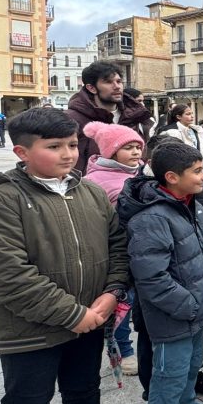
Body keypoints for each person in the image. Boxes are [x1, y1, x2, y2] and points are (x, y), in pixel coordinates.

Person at [0, 108, 140, 404]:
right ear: (22, 152)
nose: (67, 154)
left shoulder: (89, 192)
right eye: (54, 146)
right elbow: (4, 273)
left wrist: (112, 292)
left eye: (73, 145)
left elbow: (118, 246)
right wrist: (71, 314)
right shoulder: (2, 199)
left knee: (84, 390)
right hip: (31, 330)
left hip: (90, 319)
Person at [119, 142, 203, 404]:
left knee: (191, 367)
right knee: (168, 379)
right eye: (197, 171)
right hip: (174, 315)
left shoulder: (191, 204)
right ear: (171, 177)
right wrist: (189, 304)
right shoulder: (152, 217)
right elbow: (151, 277)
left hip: (194, 309)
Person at [81, 121, 146, 375]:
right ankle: (123, 351)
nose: (136, 152)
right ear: (111, 151)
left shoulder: (142, 173)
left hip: (142, 249)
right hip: (116, 252)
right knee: (122, 304)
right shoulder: (94, 181)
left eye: (138, 146)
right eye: (128, 148)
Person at [66, 62, 151, 174]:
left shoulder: (133, 116)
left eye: (119, 81)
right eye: (108, 82)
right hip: (89, 182)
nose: (117, 86)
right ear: (91, 88)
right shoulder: (72, 119)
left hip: (131, 181)